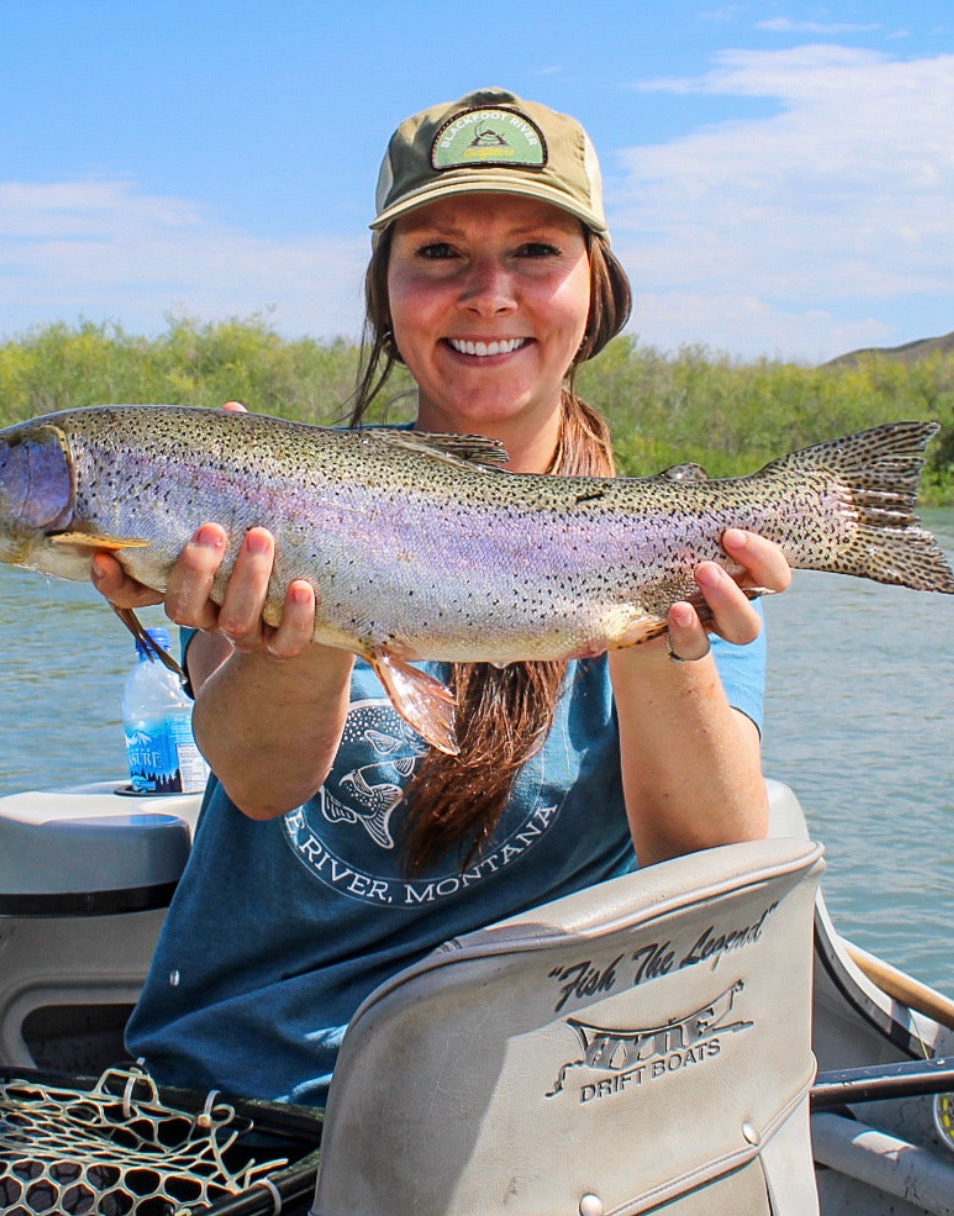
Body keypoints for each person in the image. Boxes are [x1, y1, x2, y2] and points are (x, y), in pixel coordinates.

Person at [92, 87, 792, 1106]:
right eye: (438, 254)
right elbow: (258, 779)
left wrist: (650, 630)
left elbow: (706, 866)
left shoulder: (664, 538)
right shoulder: (276, 500)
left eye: (536, 252)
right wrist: (307, 607)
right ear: (384, 292)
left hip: (518, 1102)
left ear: (598, 288)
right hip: (243, 1091)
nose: (488, 293)